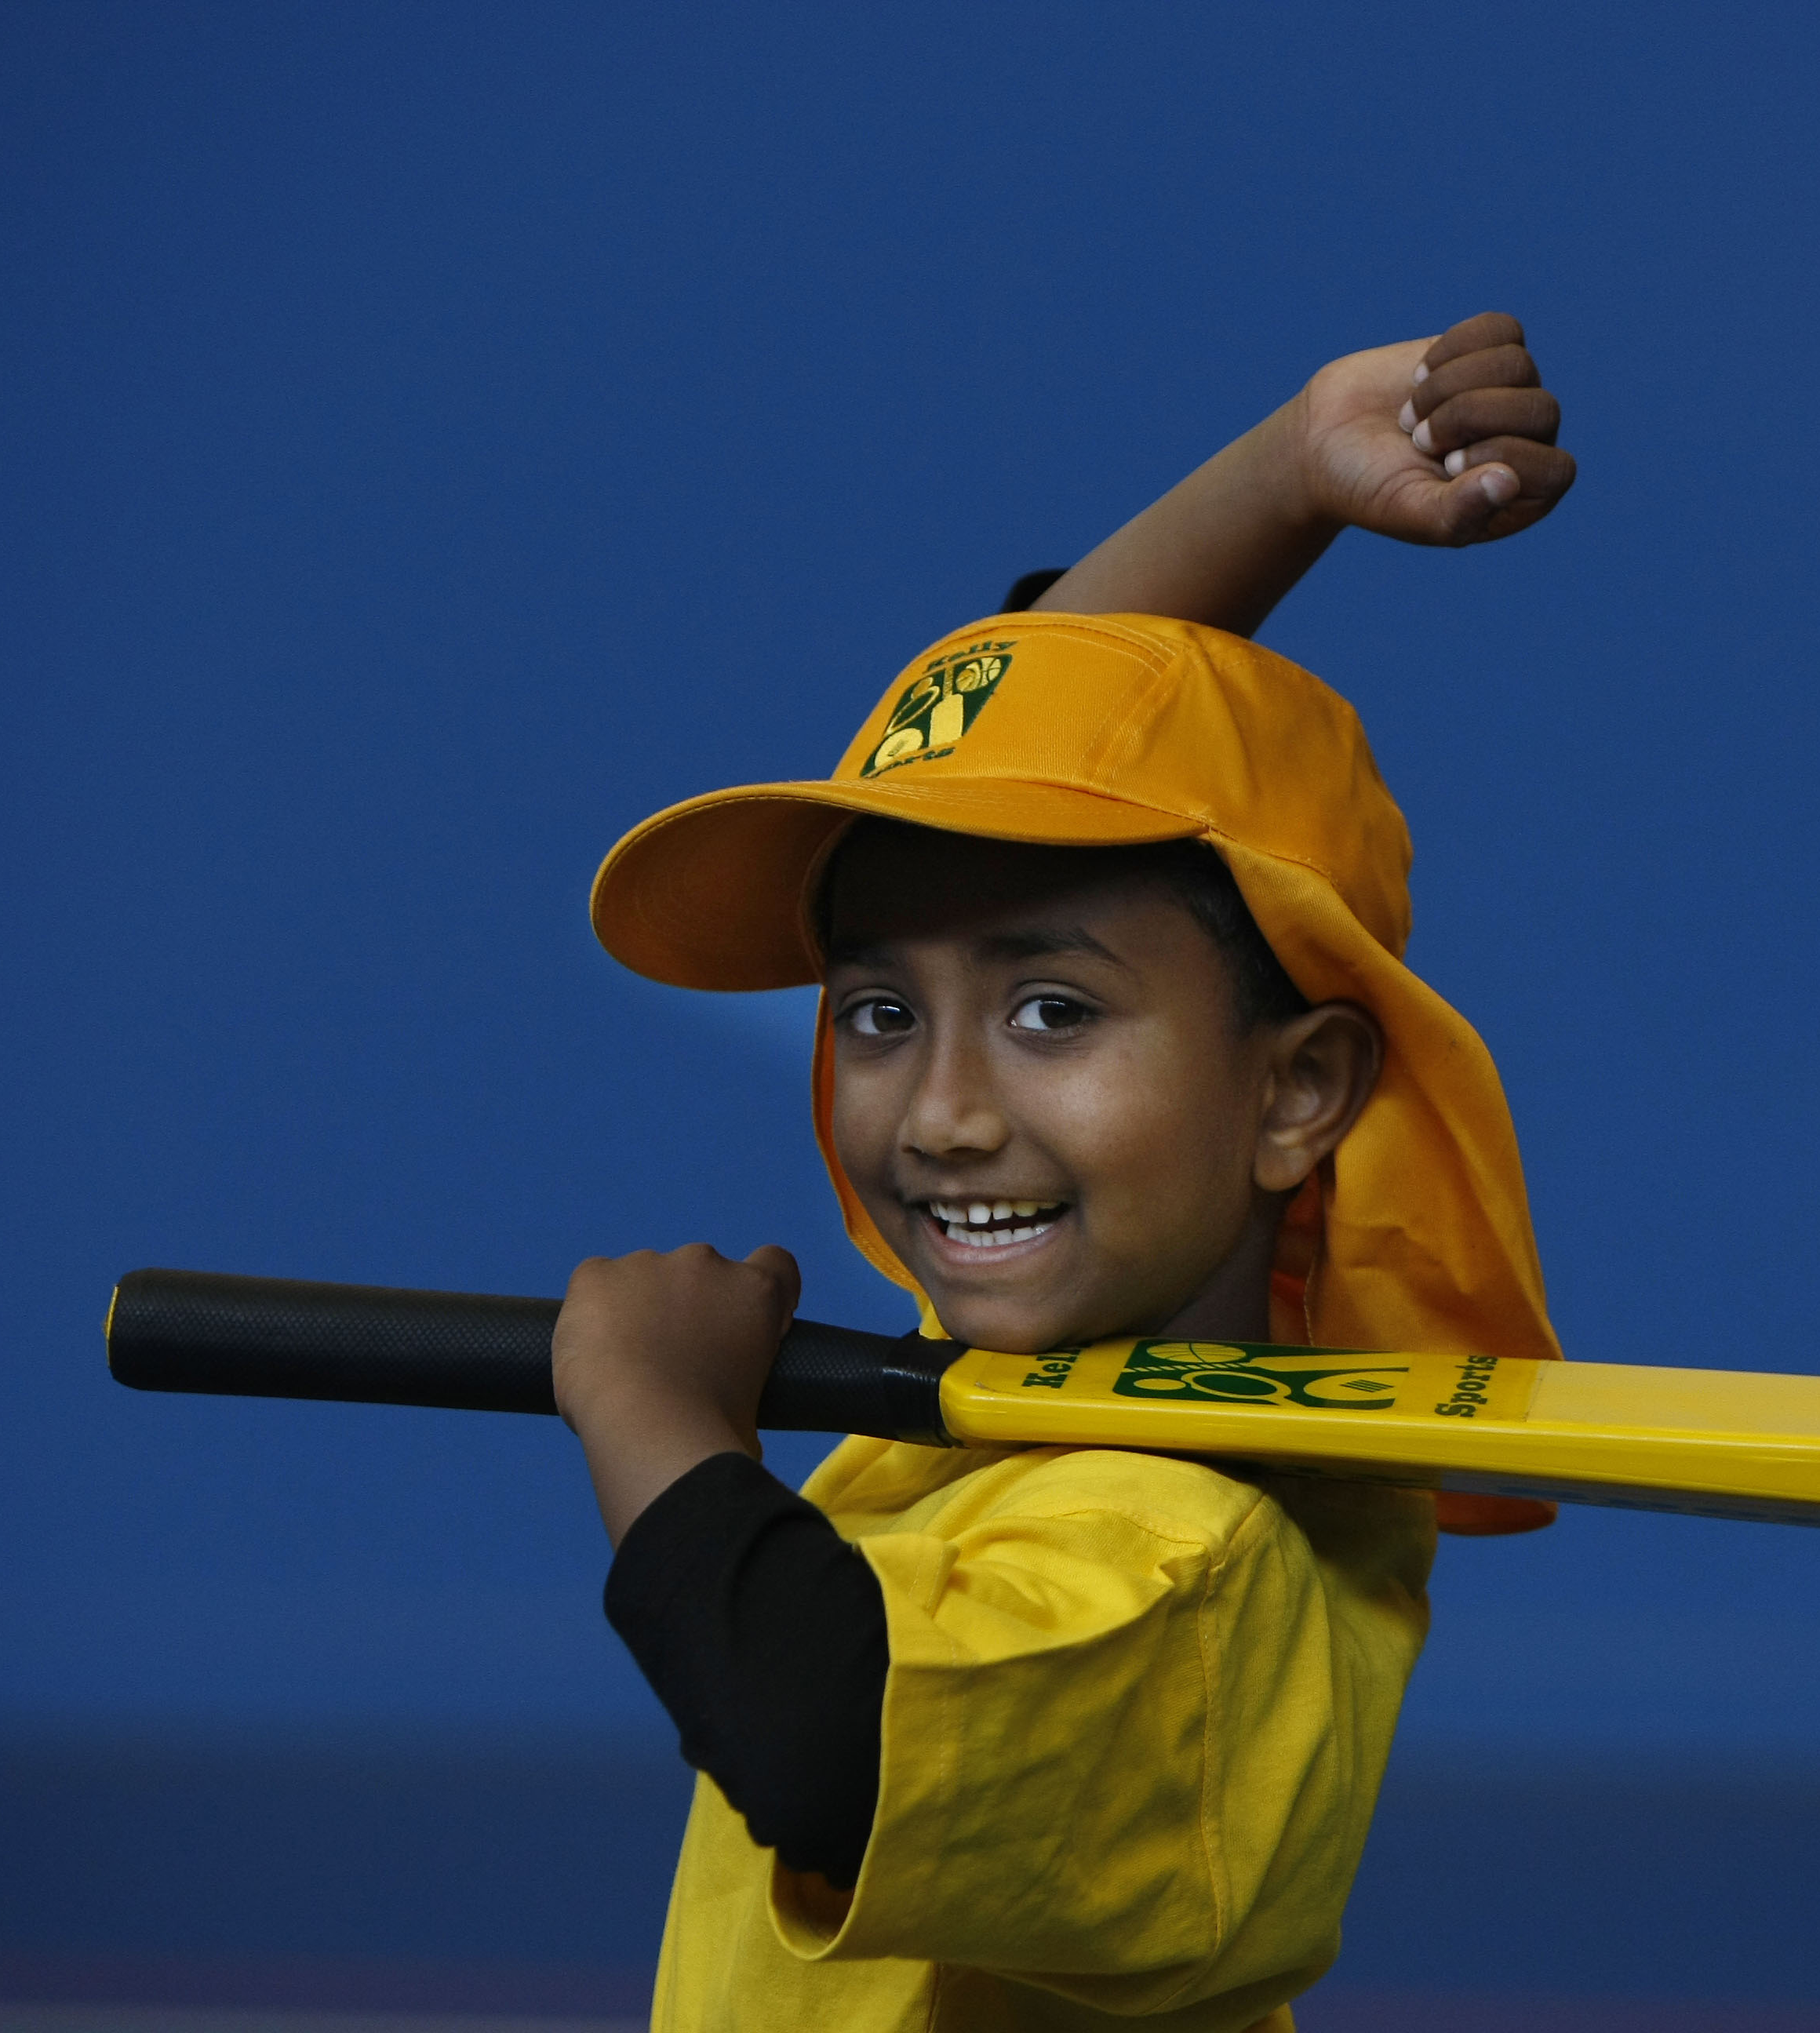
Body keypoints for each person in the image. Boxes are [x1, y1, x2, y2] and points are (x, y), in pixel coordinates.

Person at [555, 314, 1577, 2033]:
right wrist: (1288, 474)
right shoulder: (1023, 1395)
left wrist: (655, 1417)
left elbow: (825, 1746)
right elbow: (1053, 720)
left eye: (1051, 1013)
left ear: (1296, 1092)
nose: (943, 1115)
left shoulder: (1192, 1567)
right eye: (881, 1014)